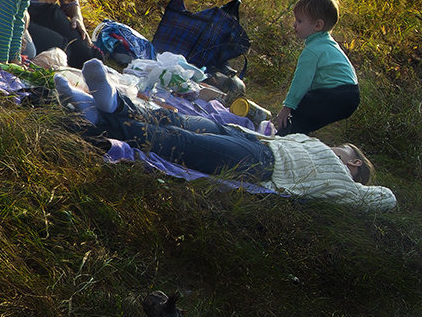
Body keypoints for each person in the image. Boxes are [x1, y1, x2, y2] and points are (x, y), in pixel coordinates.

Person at [55, 59, 395, 212]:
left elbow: (386, 199)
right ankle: (109, 103)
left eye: (343, 148)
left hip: (259, 163)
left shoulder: (342, 184)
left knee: (177, 144)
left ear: (352, 162)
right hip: (251, 140)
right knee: (175, 120)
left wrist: (358, 182)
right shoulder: (316, 148)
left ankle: (99, 113)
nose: (334, 146)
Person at [271, 0, 359, 135]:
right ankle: (292, 138)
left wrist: (287, 108)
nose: (294, 25)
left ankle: (278, 144)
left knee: (293, 120)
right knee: (303, 115)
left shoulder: (313, 50)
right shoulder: (328, 44)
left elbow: (301, 82)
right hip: (350, 94)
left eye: (299, 21)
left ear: (318, 25)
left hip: (336, 94)